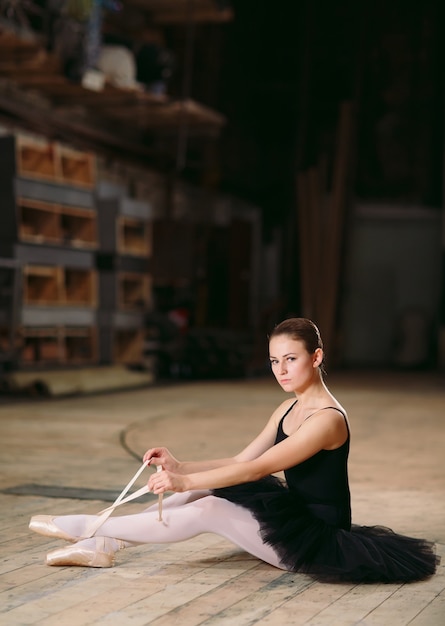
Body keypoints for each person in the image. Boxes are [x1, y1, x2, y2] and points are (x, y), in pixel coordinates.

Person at [29, 318, 439, 582]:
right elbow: (242, 459)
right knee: (199, 492)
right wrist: (181, 466)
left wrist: (183, 480)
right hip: (293, 516)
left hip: (316, 539)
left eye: (290, 359)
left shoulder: (328, 419)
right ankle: (105, 545)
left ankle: (87, 527)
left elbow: (254, 470)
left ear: (316, 357)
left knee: (210, 506)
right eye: (274, 360)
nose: (280, 370)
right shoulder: (288, 406)